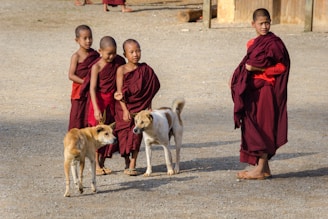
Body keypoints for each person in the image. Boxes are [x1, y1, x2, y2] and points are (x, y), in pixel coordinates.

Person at [230, 8, 290, 180]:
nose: (264, 26)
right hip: (253, 90)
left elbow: (281, 67)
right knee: (252, 123)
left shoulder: (275, 43)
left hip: (266, 90)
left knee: (262, 126)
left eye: (267, 23)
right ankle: (263, 168)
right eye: (261, 23)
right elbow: (245, 65)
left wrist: (259, 68)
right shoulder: (252, 43)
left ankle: (260, 169)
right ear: (253, 24)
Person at [114, 39, 160, 176]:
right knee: (123, 136)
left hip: (140, 108)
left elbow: (152, 88)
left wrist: (148, 107)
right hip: (124, 107)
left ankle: (133, 164)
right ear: (124, 54)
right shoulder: (121, 70)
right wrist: (125, 110)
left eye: (138, 51)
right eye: (132, 52)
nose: (135, 54)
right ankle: (127, 161)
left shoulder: (145, 70)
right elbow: (119, 93)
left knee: (136, 136)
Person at [85, 36, 126, 175]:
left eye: (114, 53)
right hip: (99, 102)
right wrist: (96, 108)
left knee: (109, 131)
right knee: (98, 134)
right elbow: (92, 88)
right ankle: (96, 165)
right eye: (108, 53)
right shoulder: (96, 67)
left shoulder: (119, 61)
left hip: (111, 102)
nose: (111, 56)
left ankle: (102, 163)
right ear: (100, 51)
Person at [68, 25, 99, 131]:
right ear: (77, 40)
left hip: (91, 91)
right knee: (77, 117)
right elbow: (71, 75)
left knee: (88, 116)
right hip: (79, 92)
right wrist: (86, 82)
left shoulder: (95, 55)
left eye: (90, 37)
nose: (88, 41)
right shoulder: (76, 56)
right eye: (84, 38)